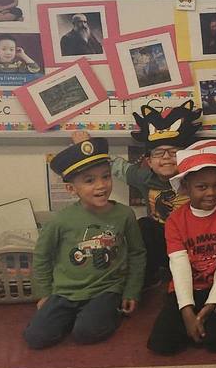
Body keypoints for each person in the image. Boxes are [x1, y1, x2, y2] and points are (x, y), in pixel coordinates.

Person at [24, 138, 146, 349]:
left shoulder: (125, 214)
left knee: (86, 333)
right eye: (89, 181)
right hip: (65, 291)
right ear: (72, 189)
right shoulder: (60, 220)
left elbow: (137, 253)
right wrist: (44, 293)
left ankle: (101, 314)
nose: (101, 186)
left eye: (106, 177)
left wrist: (131, 292)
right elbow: (42, 256)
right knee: (36, 337)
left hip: (106, 289)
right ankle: (74, 316)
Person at [84, 101, 202, 289]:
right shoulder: (144, 177)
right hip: (160, 237)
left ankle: (185, 275)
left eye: (173, 153)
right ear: (149, 161)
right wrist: (86, 146)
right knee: (143, 226)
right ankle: (150, 275)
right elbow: (117, 166)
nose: (166, 158)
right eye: (159, 153)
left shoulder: (195, 177)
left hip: (189, 240)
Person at [147, 140, 216, 356]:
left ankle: (202, 325)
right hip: (189, 287)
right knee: (161, 344)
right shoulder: (175, 220)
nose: (211, 192)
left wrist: (208, 308)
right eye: (202, 187)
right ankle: (194, 326)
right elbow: (179, 266)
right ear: (187, 187)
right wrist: (187, 312)